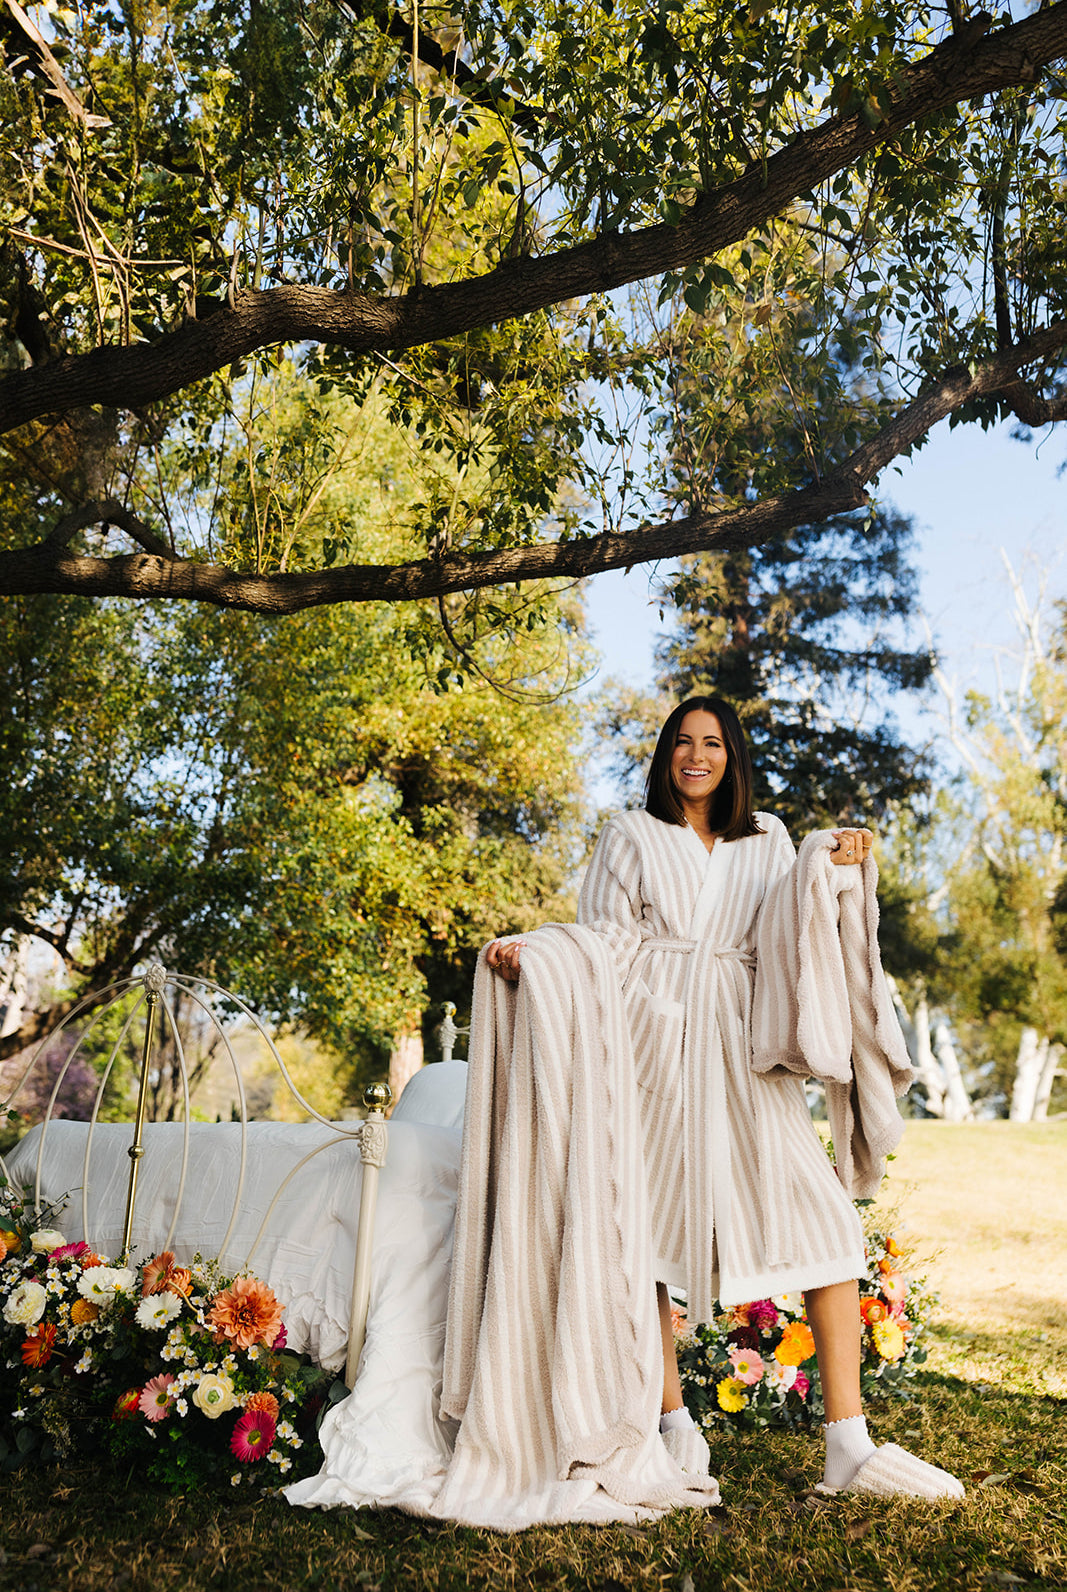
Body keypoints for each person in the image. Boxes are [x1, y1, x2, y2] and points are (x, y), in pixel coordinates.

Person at [485, 696, 963, 1501]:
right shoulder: (629, 835)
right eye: (682, 742)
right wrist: (539, 951)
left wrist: (830, 858)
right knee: (644, 1224)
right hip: (652, 1044)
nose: (696, 755)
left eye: (711, 743)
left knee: (827, 1224)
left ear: (732, 757)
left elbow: (791, 921)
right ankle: (669, 1423)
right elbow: (604, 938)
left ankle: (848, 1444)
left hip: (744, 1046)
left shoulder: (766, 836)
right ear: (664, 755)